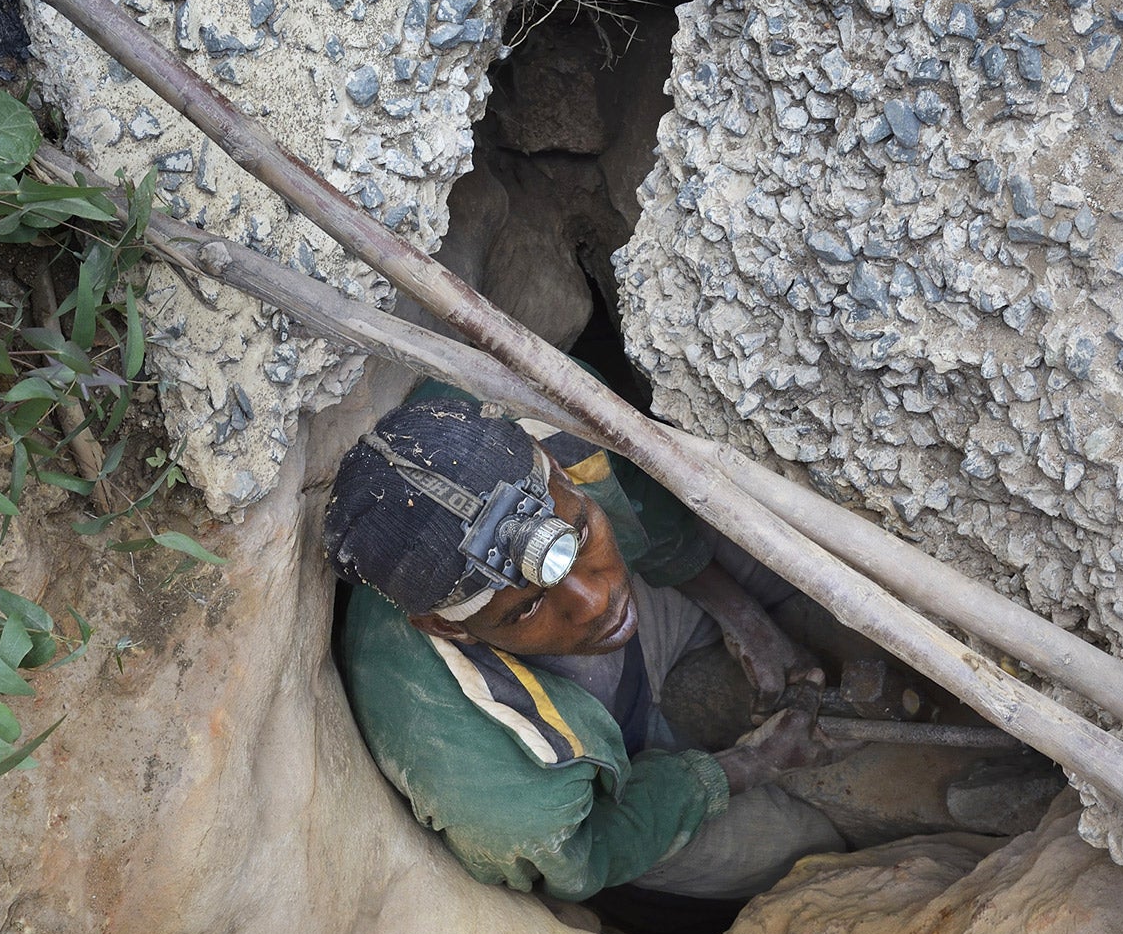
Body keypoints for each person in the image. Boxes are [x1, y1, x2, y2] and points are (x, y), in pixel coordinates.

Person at [324, 387, 858, 904]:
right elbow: (584, 855)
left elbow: (640, 497)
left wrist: (747, 622)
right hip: (583, 770)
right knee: (803, 852)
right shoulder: (499, 790)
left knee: (795, 556)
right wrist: (751, 765)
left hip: (644, 603)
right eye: (528, 607)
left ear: (552, 468)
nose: (597, 601)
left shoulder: (546, 416)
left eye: (578, 537)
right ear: (449, 628)